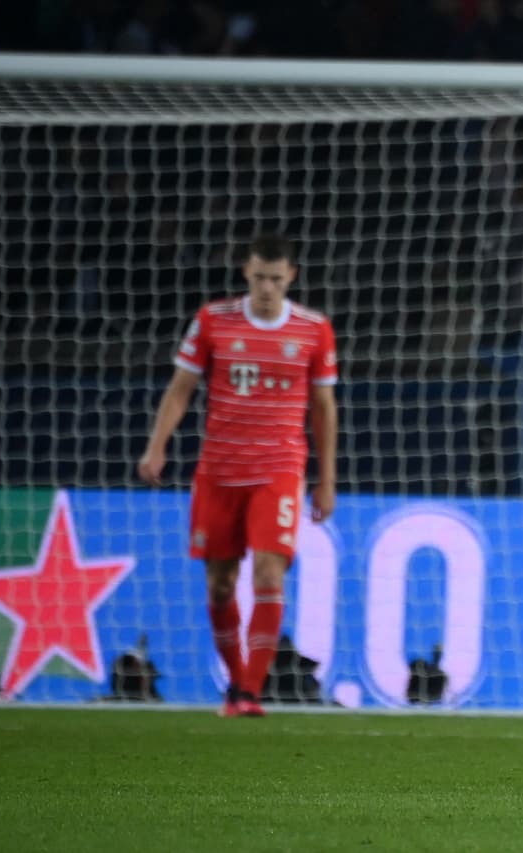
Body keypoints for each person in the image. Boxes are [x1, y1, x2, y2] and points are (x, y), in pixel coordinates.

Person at [137, 232, 339, 718]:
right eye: (258, 277)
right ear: (245, 273)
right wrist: (157, 445)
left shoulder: (314, 330)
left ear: (291, 275)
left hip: (278, 468)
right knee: (221, 585)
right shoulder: (212, 321)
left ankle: (249, 691)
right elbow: (181, 389)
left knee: (270, 572)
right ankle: (235, 682)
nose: (267, 287)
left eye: (276, 278)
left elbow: (323, 407)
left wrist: (326, 478)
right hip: (219, 471)